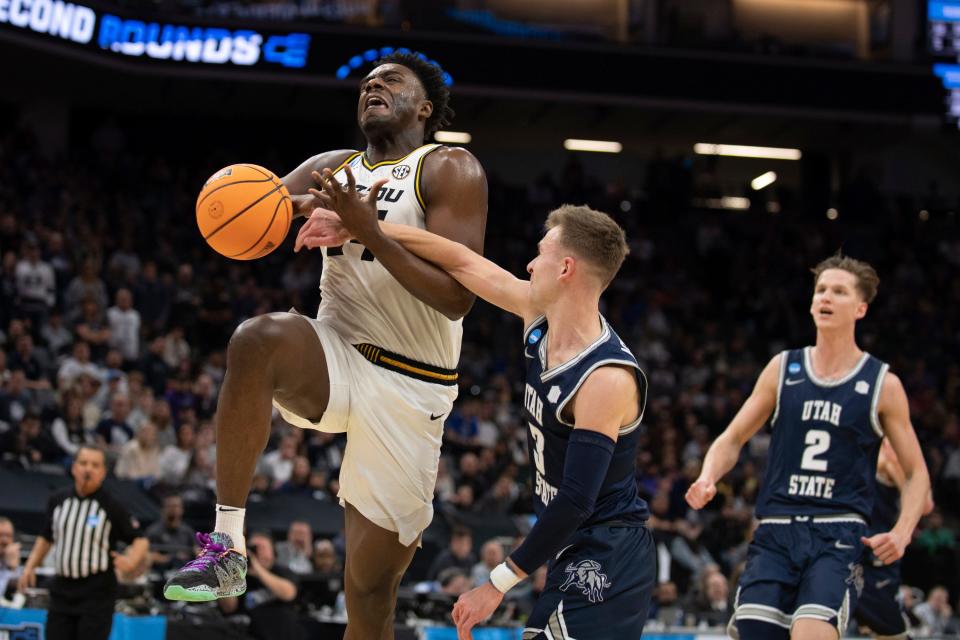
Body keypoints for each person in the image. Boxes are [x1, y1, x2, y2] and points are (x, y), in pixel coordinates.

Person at [163, 51, 488, 640]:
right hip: (336, 354)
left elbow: (457, 299)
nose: (372, 88)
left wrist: (368, 231)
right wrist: (248, 214)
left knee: (368, 596)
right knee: (256, 339)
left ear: (425, 106)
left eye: (389, 81)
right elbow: (262, 213)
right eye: (365, 83)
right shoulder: (332, 168)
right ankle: (227, 545)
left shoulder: (448, 168)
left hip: (412, 387)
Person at [297, 200, 654, 638]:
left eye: (539, 253)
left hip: (608, 552)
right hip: (569, 546)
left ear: (565, 268)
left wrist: (496, 584)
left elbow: (577, 500)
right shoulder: (537, 316)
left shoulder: (606, 378)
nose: (528, 265)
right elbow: (460, 259)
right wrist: (364, 229)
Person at [684, 255, 931, 640]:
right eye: (820, 290)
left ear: (861, 308)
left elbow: (917, 474)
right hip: (776, 529)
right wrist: (708, 476)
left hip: (838, 533)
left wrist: (901, 532)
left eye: (839, 291)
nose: (825, 297)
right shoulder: (783, 369)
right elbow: (732, 438)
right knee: (754, 630)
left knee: (811, 632)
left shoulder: (882, 383)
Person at [18, 445, 149, 640]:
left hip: (97, 591)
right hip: (62, 588)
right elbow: (46, 537)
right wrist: (30, 566)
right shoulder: (58, 500)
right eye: (83, 463)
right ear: (74, 468)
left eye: (95, 465)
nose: (88, 469)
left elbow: (140, 540)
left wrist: (130, 561)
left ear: (103, 473)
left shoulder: (111, 505)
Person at [854, 438, 935, 638]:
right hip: (845, 545)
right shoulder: (853, 444)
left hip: (876, 555)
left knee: (887, 628)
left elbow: (926, 505)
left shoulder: (890, 453)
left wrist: (897, 465)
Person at [218, 532, 301, 640]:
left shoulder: (282, 571)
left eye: (263, 548)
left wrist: (257, 569)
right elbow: (228, 607)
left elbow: (288, 593)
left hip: (283, 633)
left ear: (273, 552)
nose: (258, 552)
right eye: (254, 547)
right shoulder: (239, 575)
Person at [145, 495, 196, 572]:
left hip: (185, 572)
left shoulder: (187, 531)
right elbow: (148, 555)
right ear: (163, 509)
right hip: (161, 573)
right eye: (169, 506)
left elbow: (197, 550)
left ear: (182, 509)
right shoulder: (153, 531)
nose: (173, 509)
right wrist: (172, 558)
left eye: (176, 506)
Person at [0, 516, 21, 601]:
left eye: (8, 536)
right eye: (0, 535)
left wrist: (13, 568)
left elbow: (18, 598)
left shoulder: (15, 561)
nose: (5, 541)